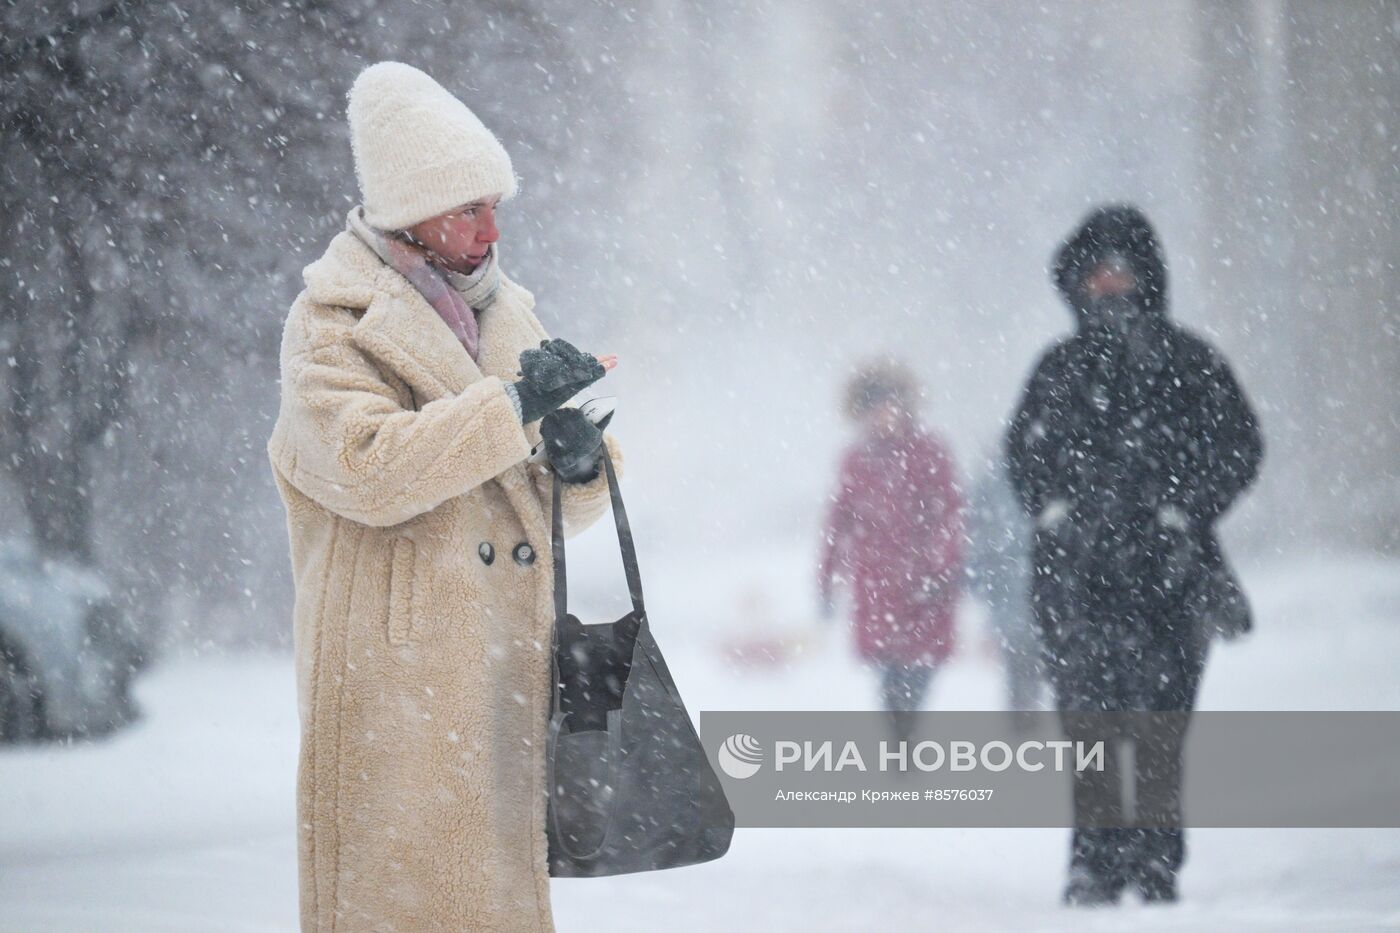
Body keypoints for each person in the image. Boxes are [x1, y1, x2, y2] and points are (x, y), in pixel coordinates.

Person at [265, 61, 623, 932]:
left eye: (496, 202)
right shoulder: (333, 325)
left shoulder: (508, 310)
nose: (493, 228)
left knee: (492, 898)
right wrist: (510, 407)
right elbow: (372, 468)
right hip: (400, 671)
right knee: (402, 899)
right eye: (468, 206)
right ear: (407, 212)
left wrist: (580, 467)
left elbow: (547, 507)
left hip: (501, 667)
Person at [1004, 205, 1262, 906]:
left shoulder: (1192, 362)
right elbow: (1022, 457)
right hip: (1079, 582)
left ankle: (1154, 859)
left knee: (1158, 726)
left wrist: (1185, 506)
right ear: (1078, 283)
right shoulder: (1057, 370)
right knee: (1088, 723)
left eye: (1123, 269)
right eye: (1098, 271)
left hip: (1169, 579)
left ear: (1147, 276)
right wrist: (1057, 512)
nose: (1110, 284)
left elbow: (1240, 445)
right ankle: (1094, 858)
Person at [817, 359, 963, 742]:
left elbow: (949, 513)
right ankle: (899, 742)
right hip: (877, 585)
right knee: (888, 671)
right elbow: (838, 524)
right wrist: (826, 578)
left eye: (889, 403)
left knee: (920, 671)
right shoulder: (856, 461)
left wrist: (939, 566)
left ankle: (907, 734)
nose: (883, 414)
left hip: (925, 585)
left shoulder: (931, 452)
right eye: (874, 406)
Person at [963, 447, 1043, 729]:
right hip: (1024, 588)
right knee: (1025, 657)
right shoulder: (1022, 478)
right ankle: (1026, 718)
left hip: (1017, 588)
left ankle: (1024, 717)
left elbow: (977, 540)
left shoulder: (991, 483)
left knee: (1022, 657)